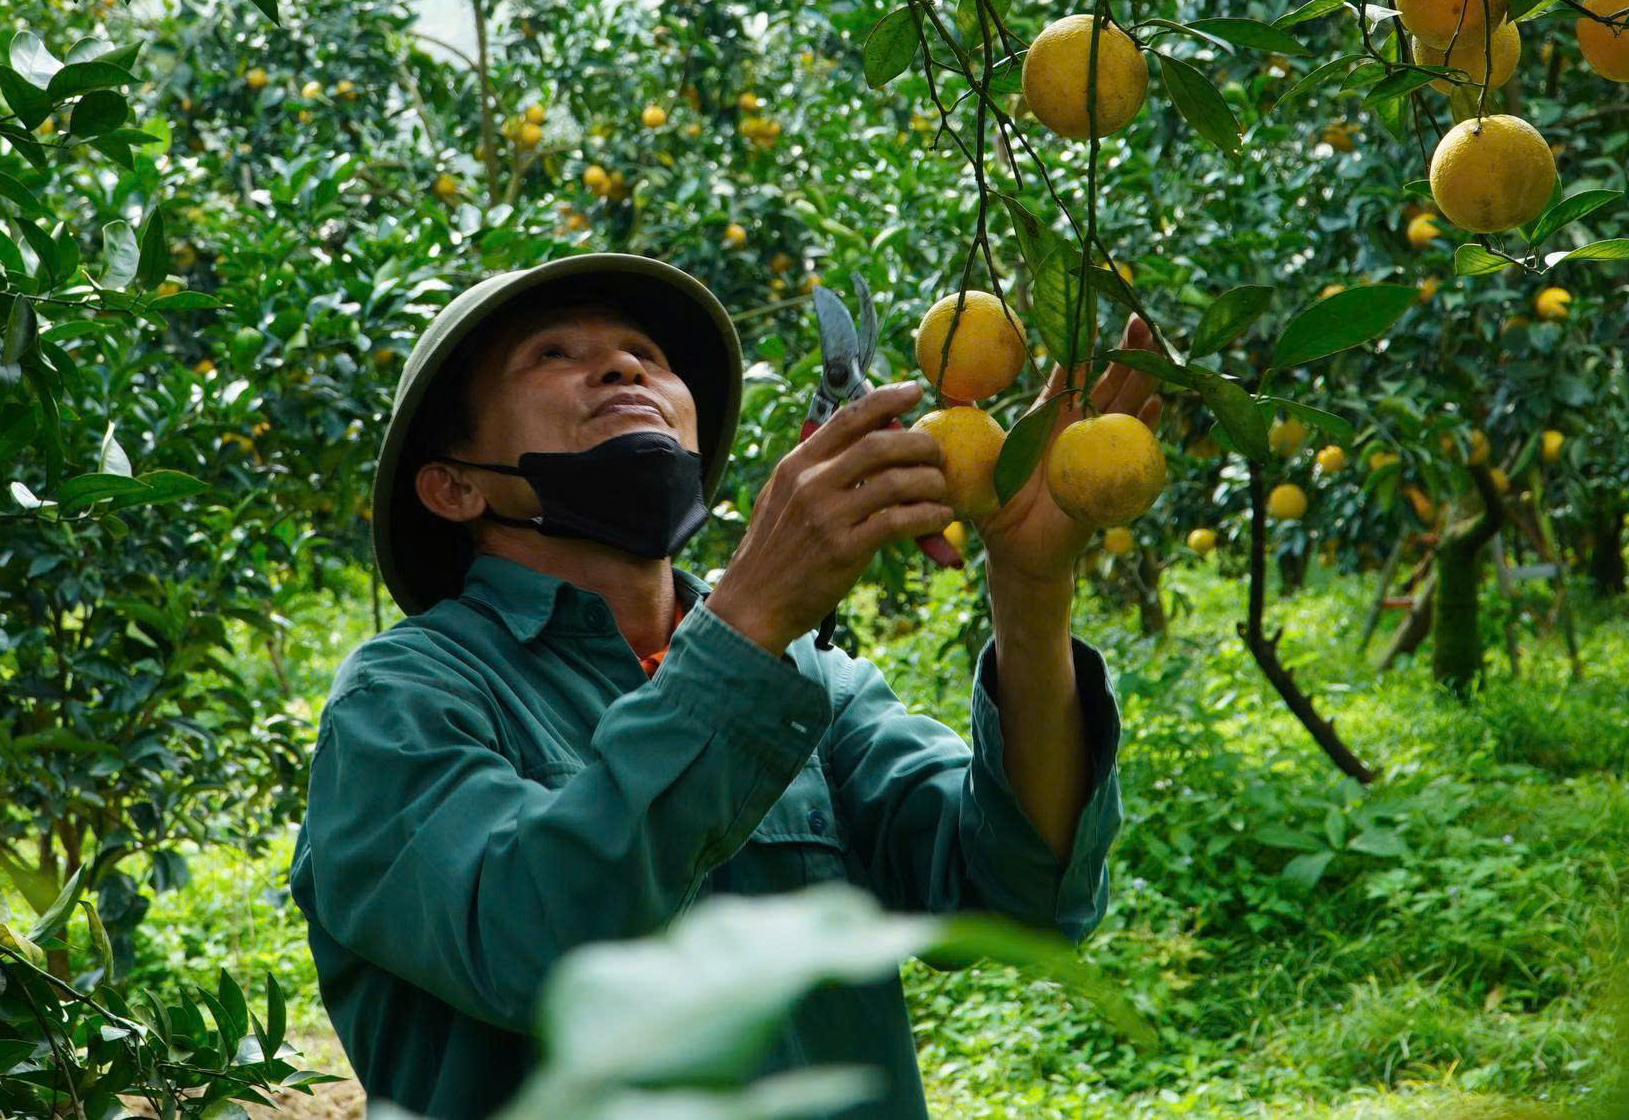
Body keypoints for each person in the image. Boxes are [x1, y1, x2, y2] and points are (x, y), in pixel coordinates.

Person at [288, 251, 1160, 1118]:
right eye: (551, 353)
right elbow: (533, 947)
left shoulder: (816, 684)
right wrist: (748, 619)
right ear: (453, 487)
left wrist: (1032, 589)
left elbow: (1022, 897)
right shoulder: (402, 702)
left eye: (649, 356)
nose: (626, 365)